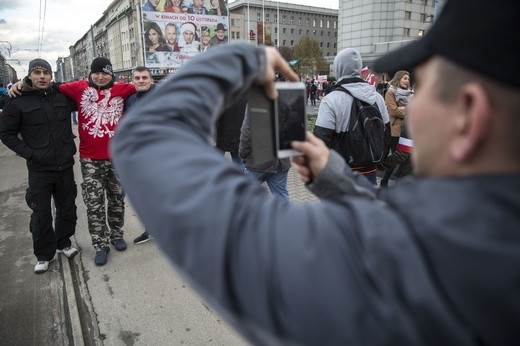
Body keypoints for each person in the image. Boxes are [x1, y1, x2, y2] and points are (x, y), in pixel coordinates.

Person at [112, 0, 520, 342]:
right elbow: (412, 223)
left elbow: (145, 138)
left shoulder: (379, 263)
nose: (410, 101)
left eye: (425, 87)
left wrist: (239, 59)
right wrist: (341, 184)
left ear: (468, 115)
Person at [8, 58, 136, 266]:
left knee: (116, 200)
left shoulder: (124, 88)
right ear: (90, 73)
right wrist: (21, 84)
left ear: (111, 75)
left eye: (105, 73)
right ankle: (100, 244)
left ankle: (116, 235)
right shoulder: (77, 88)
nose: (100, 76)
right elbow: (49, 85)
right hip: (90, 159)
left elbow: (144, 86)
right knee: (94, 203)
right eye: (96, 72)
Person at [0, 59, 79, 274]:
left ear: (52, 76)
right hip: (39, 170)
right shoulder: (17, 101)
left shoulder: (63, 96)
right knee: (41, 213)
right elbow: (6, 133)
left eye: (46, 72)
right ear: (30, 75)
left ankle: (63, 243)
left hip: (65, 165)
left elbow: (85, 93)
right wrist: (29, 153)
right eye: (37, 72)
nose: (42, 76)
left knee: (67, 208)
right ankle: (44, 255)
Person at [313, 48, 390, 185]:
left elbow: (320, 140)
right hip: (369, 171)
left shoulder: (331, 100)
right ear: (359, 69)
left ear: (338, 68)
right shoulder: (377, 97)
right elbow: (386, 134)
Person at [124, 66, 156, 245]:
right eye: (137, 78)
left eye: (145, 77)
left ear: (151, 80)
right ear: (133, 81)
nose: (141, 80)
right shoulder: (131, 100)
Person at [239, 108, 291, 202]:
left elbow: (247, 133)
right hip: (281, 160)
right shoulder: (285, 98)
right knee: (281, 197)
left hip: (257, 161)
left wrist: (243, 154)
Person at [380, 70, 411, 186]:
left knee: (404, 158)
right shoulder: (390, 92)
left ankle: (389, 181)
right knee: (397, 157)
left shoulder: (409, 93)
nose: (407, 81)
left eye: (408, 79)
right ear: (398, 79)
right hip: (395, 130)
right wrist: (409, 109)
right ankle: (384, 181)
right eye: (405, 78)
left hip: (408, 130)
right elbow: (393, 110)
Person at [215, 95, 247, 171]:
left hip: (221, 135)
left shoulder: (222, 96)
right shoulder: (246, 97)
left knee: (215, 163)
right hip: (238, 136)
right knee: (239, 164)